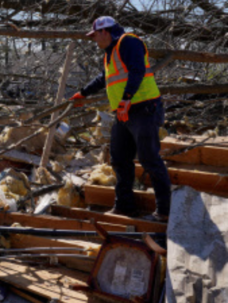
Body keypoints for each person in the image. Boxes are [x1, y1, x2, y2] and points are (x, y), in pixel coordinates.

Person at [70, 16, 170, 222]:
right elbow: (103, 79)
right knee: (119, 158)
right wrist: (83, 93)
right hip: (125, 112)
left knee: (149, 159)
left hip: (144, 108)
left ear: (105, 32)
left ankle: (165, 211)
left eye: (95, 35)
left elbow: (137, 71)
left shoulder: (129, 42)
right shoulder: (111, 53)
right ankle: (124, 206)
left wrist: (126, 99)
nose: (94, 40)